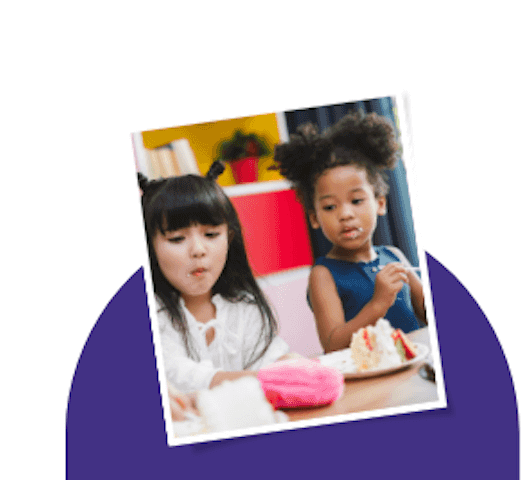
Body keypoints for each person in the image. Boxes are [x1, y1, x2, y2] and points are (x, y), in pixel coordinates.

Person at [274, 112, 428, 352]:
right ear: (314, 217)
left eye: (356, 200)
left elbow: (429, 312)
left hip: (416, 368)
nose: (345, 214)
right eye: (330, 207)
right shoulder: (323, 275)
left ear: (379, 203)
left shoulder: (394, 256)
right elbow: (333, 344)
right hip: (371, 382)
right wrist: (378, 303)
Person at [143, 161, 288, 396]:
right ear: (149, 246)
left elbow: (275, 358)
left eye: (211, 234)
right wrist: (268, 380)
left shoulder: (244, 307)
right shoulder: (152, 316)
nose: (198, 250)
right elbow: (177, 376)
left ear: (229, 238)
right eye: (177, 239)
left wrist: (291, 365)